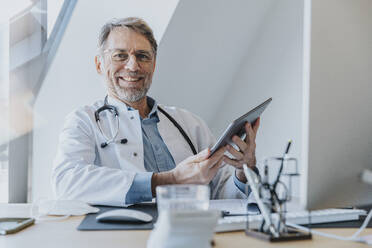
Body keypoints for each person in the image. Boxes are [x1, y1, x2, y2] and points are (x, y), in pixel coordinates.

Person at [52, 17, 260, 206]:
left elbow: (223, 196)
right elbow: (67, 182)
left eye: (142, 56)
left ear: (153, 64)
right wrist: (169, 180)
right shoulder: (84, 120)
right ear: (99, 64)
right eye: (120, 56)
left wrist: (243, 171)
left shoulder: (189, 123)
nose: (133, 66)